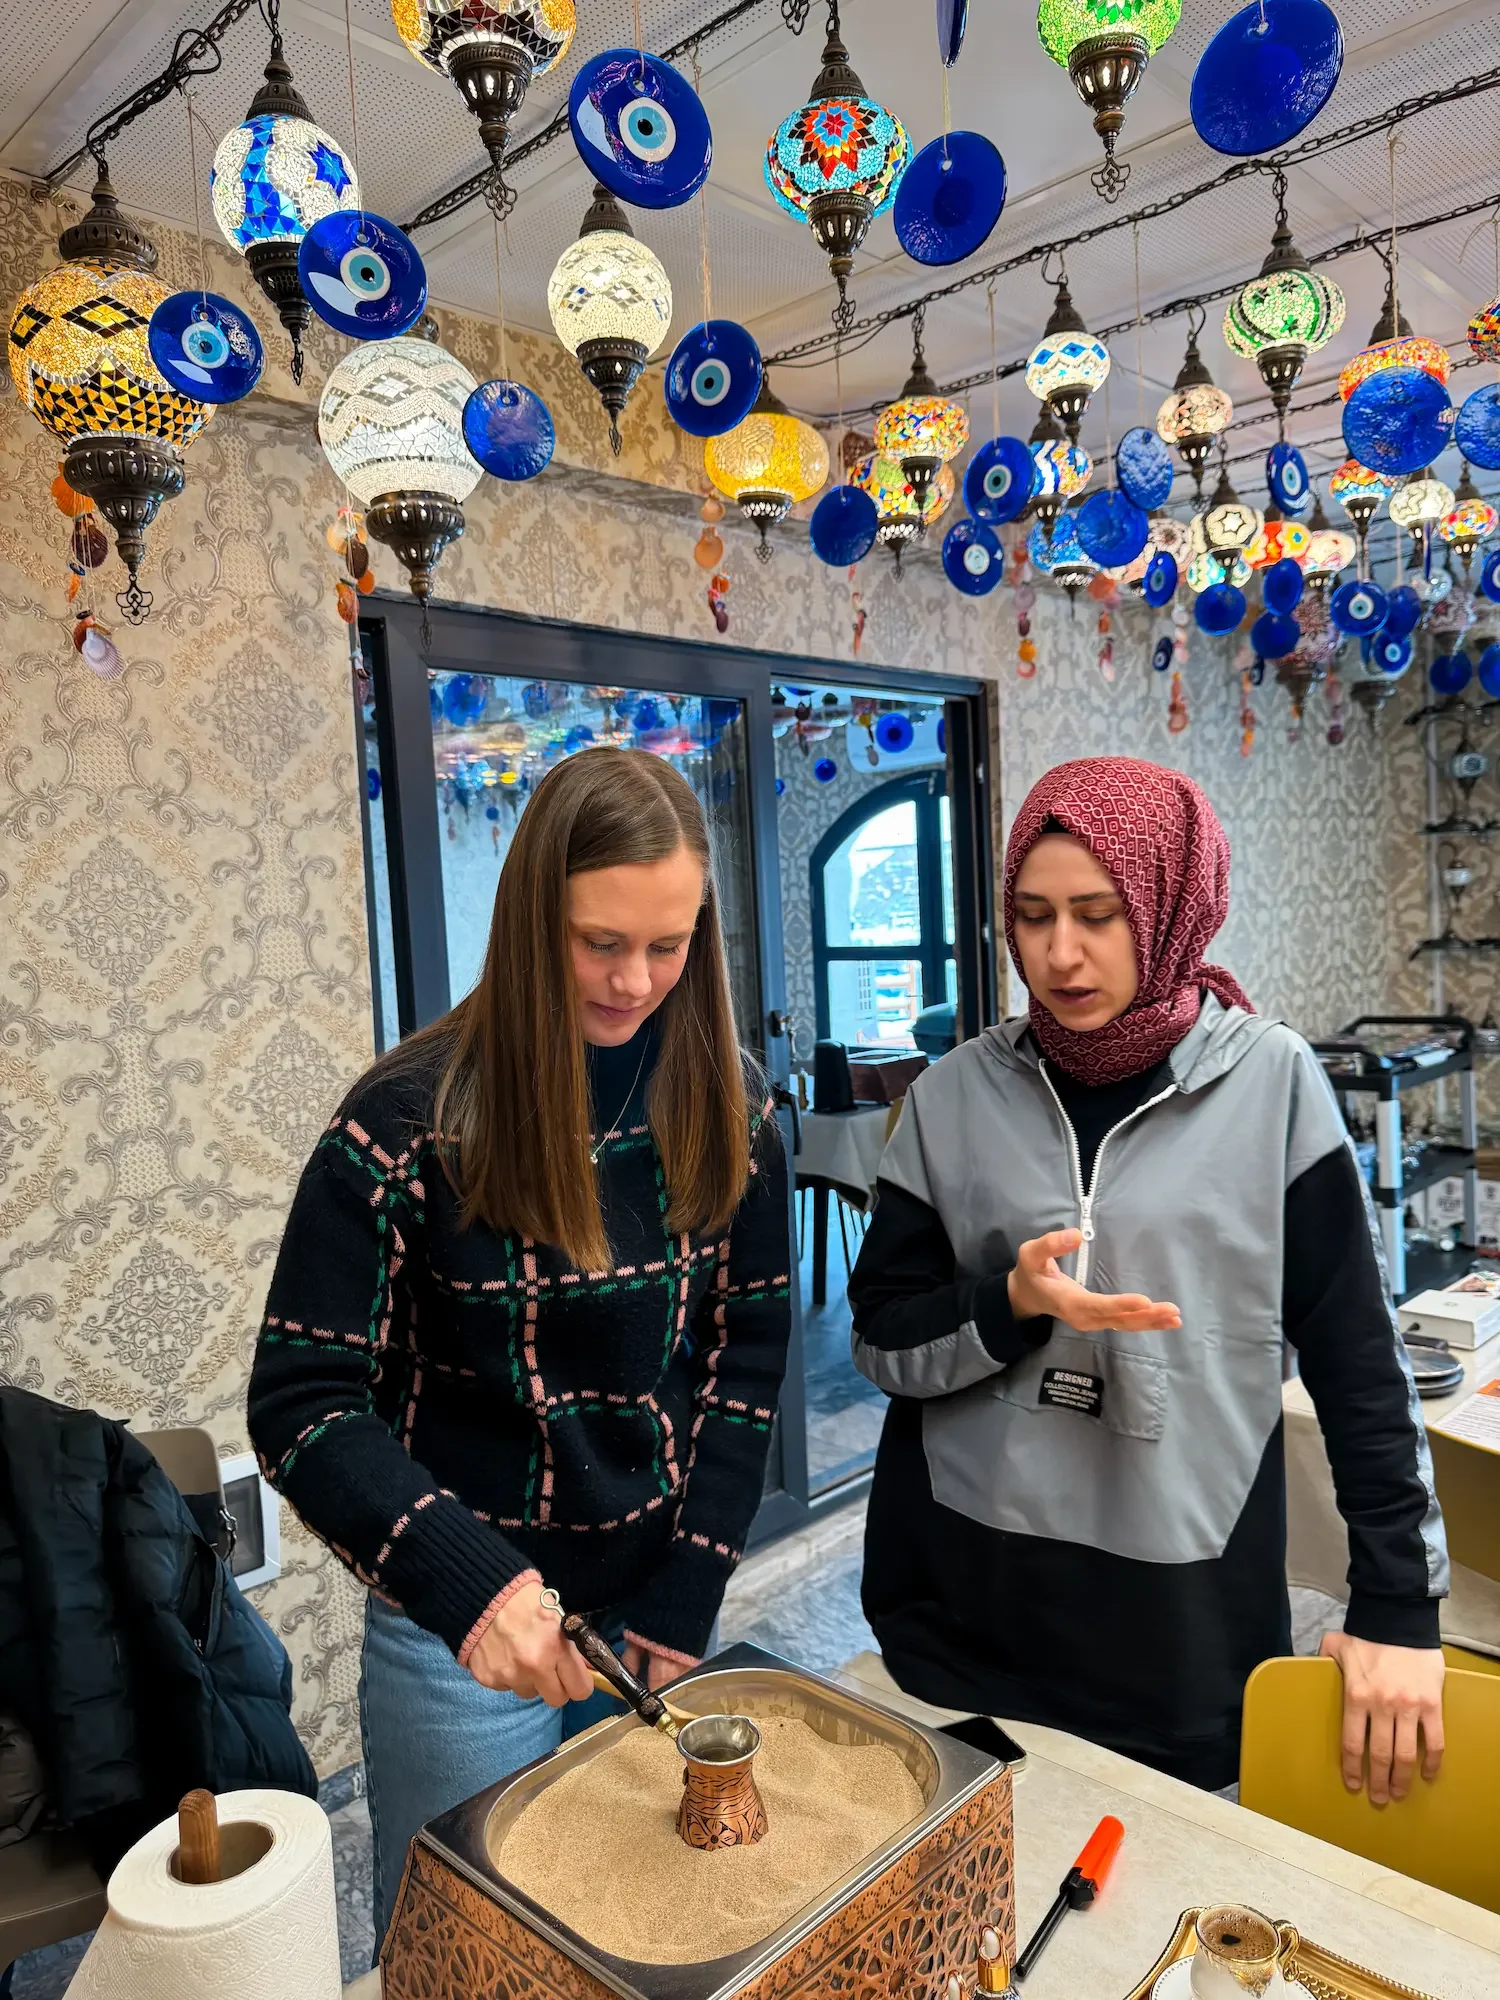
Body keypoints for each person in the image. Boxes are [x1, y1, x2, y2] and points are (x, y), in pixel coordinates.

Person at [248, 749, 790, 1937]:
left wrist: (690, 1582)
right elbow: (303, 1397)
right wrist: (472, 1584)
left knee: (638, 1934)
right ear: (531, 911)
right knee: (463, 1948)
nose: (636, 979)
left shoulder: (734, 1101)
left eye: (670, 942)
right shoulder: (405, 1117)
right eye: (600, 941)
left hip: (648, 1611)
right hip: (458, 1634)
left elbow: (745, 1358)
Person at [850, 756, 1447, 1802]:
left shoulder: (1270, 1086)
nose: (1060, 953)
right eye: (1032, 915)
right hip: (960, 1616)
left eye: (1097, 912)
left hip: (1180, 1630)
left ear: (1172, 903)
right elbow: (883, 1340)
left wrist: (1399, 1601)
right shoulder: (950, 1099)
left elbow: (1359, 1358)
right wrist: (1008, 1303)